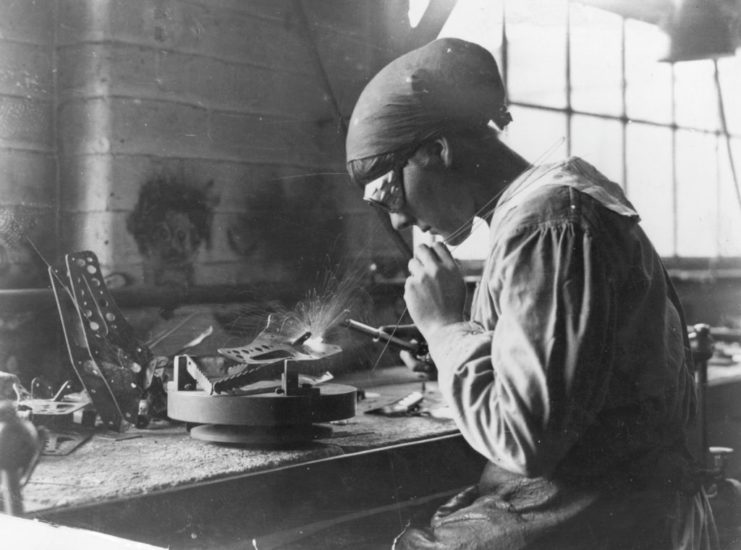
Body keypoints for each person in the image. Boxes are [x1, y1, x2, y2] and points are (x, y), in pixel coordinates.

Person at [345, 38, 718, 550]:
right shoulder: (558, 204)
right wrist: (451, 354)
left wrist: (446, 330)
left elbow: (526, 441)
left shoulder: (546, 225)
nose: (399, 219)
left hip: (597, 521)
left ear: (437, 150)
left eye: (388, 193)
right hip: (623, 509)